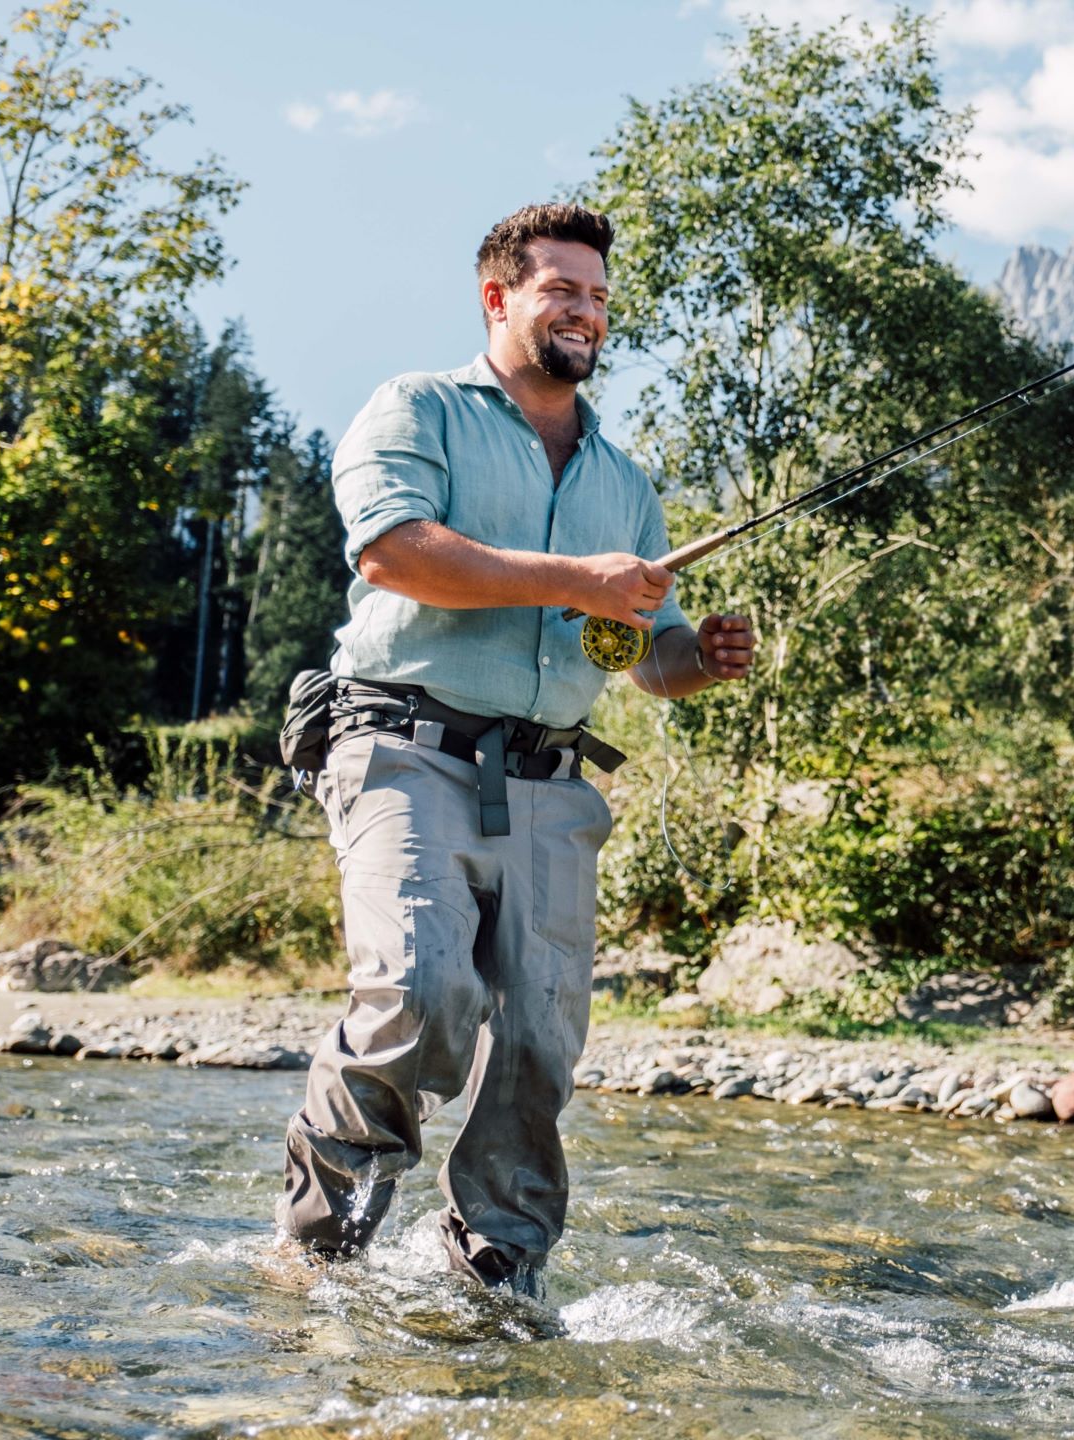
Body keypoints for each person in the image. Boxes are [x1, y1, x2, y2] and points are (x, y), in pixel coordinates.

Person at [276, 202, 753, 1297]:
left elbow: (641, 656)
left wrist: (700, 657)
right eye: (561, 291)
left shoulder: (622, 481)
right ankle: (321, 1248)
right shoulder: (417, 410)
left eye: (596, 296)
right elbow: (396, 555)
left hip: (550, 784)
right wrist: (573, 578)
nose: (584, 313)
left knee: (538, 1049)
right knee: (421, 989)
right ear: (499, 299)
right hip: (404, 751)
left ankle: (497, 1273)